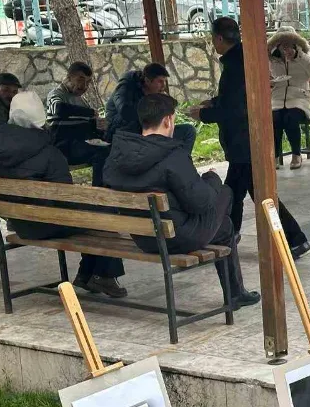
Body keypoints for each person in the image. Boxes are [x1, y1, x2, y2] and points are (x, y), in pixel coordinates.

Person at [104, 93, 261, 309]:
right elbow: (200, 204)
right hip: (177, 238)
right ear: (168, 120)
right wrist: (212, 179)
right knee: (225, 193)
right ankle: (234, 293)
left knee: (223, 227)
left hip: (143, 237)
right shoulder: (172, 155)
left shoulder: (118, 155)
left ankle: (234, 282)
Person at [0, 91, 128, 299]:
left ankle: (88, 274)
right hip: (46, 224)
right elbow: (66, 198)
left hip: (18, 222)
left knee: (92, 215)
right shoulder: (50, 154)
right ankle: (101, 274)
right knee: (105, 214)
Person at [188, 17, 310, 259]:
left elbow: (234, 110)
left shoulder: (234, 66)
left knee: (255, 194)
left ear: (219, 39)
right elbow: (238, 100)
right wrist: (214, 102)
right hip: (245, 140)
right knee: (239, 192)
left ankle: (294, 238)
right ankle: (230, 236)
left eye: (213, 39)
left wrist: (203, 113)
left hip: (244, 140)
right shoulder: (245, 60)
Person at [105, 63, 197, 151]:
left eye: (164, 81)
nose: (163, 86)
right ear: (148, 81)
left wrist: (164, 102)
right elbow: (125, 112)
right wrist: (150, 102)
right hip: (125, 133)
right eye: (160, 81)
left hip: (150, 132)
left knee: (188, 131)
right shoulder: (127, 85)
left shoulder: (154, 91)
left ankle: (181, 162)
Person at [269, 25, 310, 170]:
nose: (285, 48)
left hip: (299, 98)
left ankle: (296, 154)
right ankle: (274, 156)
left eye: (288, 43)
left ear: (295, 43)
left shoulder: (303, 56)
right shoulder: (272, 59)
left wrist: (298, 57)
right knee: (275, 119)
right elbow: (263, 76)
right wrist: (269, 81)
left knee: (290, 118)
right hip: (277, 99)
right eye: (281, 44)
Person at [46, 61, 110, 180]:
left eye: (88, 82)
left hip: (82, 144)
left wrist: (99, 126)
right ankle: (100, 192)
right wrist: (90, 112)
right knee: (102, 153)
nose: (84, 86)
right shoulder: (56, 94)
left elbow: (86, 126)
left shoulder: (82, 101)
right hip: (64, 147)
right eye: (80, 80)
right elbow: (58, 109)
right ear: (68, 78)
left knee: (113, 148)